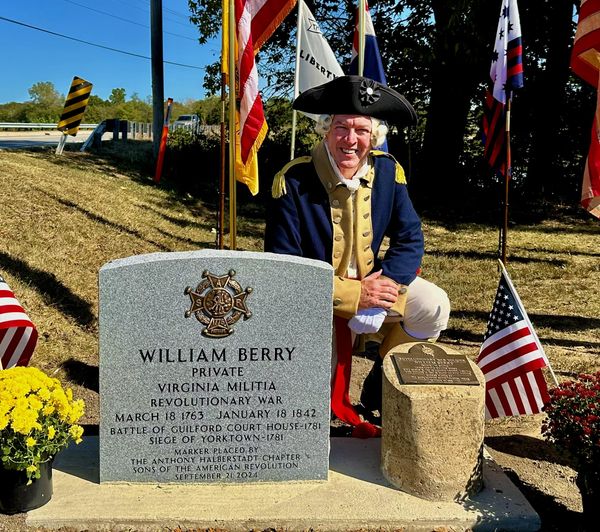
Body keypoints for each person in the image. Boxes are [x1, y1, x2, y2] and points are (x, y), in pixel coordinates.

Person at [264, 76, 449, 436]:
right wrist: (353, 296)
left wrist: (388, 285)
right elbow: (283, 266)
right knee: (312, 394)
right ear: (325, 131)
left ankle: (384, 388)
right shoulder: (293, 180)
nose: (351, 140)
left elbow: (410, 238)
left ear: (373, 135)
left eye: (361, 130)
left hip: (376, 287)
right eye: (341, 128)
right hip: (315, 297)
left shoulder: (388, 171)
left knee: (432, 304)